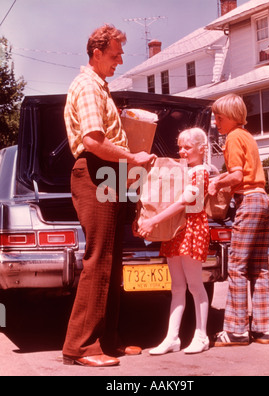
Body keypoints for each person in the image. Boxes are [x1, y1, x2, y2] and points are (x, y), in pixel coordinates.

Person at [63, 24, 156, 367]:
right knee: (98, 260)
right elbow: (92, 142)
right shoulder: (88, 86)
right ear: (97, 53)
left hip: (109, 176)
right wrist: (133, 158)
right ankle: (80, 347)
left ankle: (107, 340)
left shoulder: (100, 87)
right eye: (115, 55)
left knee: (112, 262)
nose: (119, 62)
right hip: (94, 173)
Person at [138, 128, 210, 355]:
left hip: (191, 228)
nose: (182, 151)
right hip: (175, 230)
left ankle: (201, 335)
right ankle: (172, 337)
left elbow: (184, 202)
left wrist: (153, 222)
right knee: (177, 287)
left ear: (202, 148)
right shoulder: (182, 171)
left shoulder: (201, 172)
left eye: (187, 147)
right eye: (180, 147)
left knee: (195, 286)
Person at [208, 93, 269, 346]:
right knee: (259, 267)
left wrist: (216, 183)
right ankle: (262, 329)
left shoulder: (233, 137)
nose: (216, 122)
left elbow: (235, 176)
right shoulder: (248, 136)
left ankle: (236, 331)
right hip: (263, 200)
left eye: (219, 117)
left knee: (237, 266)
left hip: (247, 201)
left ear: (232, 118)